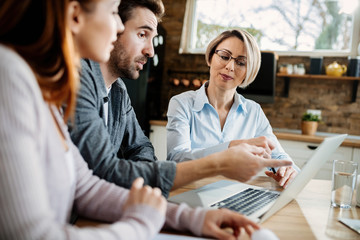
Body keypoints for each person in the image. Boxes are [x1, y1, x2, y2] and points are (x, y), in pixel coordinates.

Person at [0, 1, 262, 239]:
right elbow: (35, 233)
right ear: (75, 15)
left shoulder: (47, 88)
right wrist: (142, 222)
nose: (116, 26)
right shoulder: (11, 76)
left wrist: (191, 218)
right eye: (113, 11)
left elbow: (88, 186)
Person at [68, 0, 293, 198]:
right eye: (142, 34)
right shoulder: (79, 78)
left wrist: (287, 168)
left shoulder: (118, 91)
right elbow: (106, 170)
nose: (150, 51)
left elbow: (140, 148)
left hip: (230, 195)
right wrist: (224, 156)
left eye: (241, 62)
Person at [167, 29, 299, 188]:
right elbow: (176, 160)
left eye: (241, 62)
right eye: (224, 56)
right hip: (191, 193)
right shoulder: (181, 104)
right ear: (210, 58)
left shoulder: (253, 111)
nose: (230, 66)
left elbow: (277, 155)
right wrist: (230, 148)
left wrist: (286, 169)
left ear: (248, 72)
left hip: (236, 194)